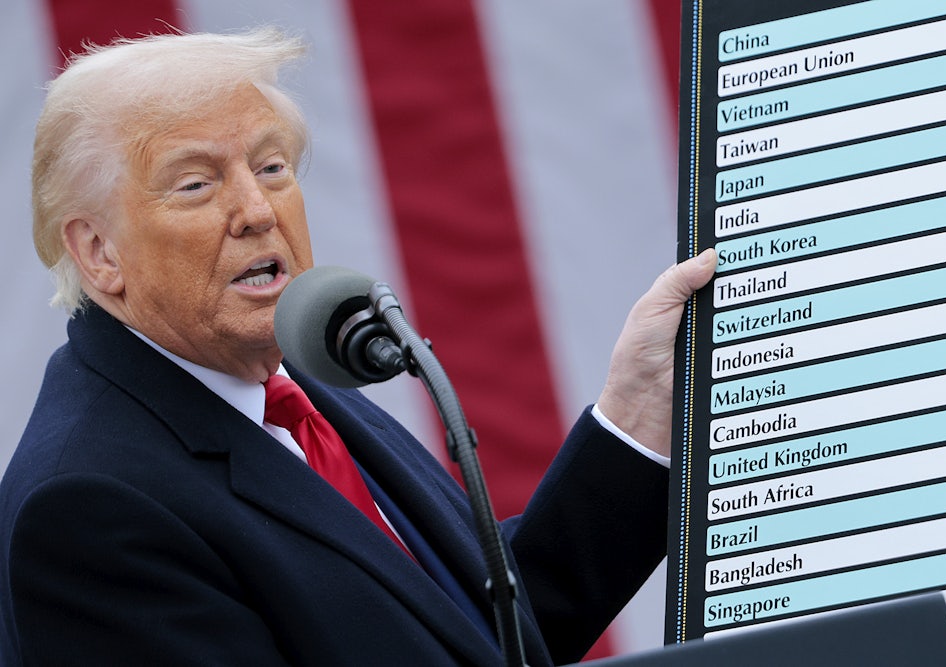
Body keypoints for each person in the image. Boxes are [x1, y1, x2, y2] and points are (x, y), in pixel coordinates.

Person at [0, 28, 716, 666]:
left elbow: (477, 630)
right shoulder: (86, 511)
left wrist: (635, 416)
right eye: (196, 183)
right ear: (98, 253)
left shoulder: (293, 381)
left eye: (272, 167)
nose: (256, 210)